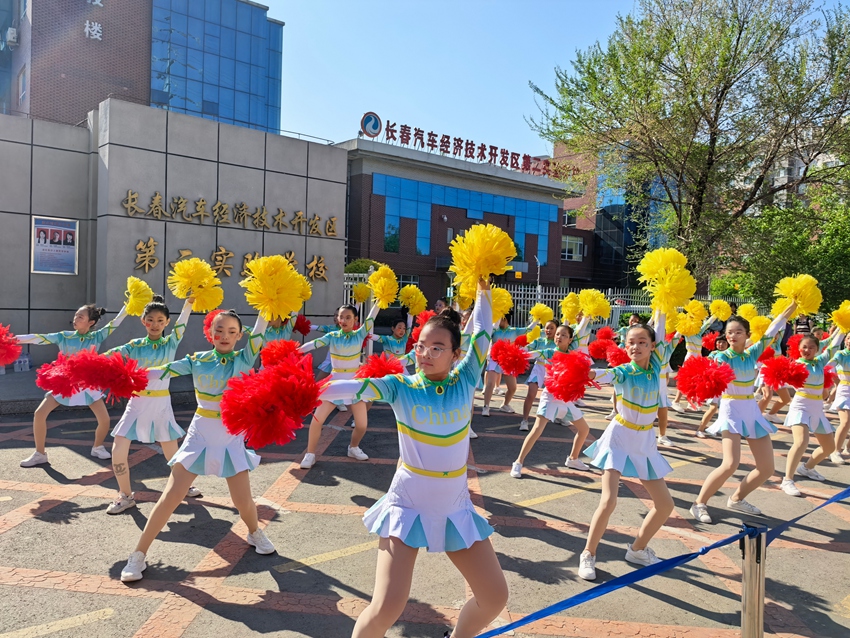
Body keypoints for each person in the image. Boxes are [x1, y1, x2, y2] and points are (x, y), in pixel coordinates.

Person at [319, 280, 507, 638]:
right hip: (407, 504)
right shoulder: (400, 385)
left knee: (494, 597)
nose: (426, 353)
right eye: (421, 346)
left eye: (438, 348)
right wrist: (300, 391)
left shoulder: (466, 379)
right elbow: (352, 387)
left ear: (456, 354)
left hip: (455, 505)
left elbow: (483, 331)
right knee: (387, 607)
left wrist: (483, 290)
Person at [120, 309, 275, 582]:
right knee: (170, 496)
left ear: (240, 335)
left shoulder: (246, 357)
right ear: (209, 333)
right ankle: (138, 555)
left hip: (231, 435)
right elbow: (163, 370)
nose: (224, 335)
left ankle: (254, 532)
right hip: (200, 433)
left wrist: (268, 300)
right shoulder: (197, 360)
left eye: (231, 331)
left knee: (243, 501)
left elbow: (260, 328)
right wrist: (129, 374)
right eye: (218, 330)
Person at [577, 314, 675, 581]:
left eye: (642, 342)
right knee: (608, 501)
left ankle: (637, 549)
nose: (635, 346)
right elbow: (603, 374)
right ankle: (588, 553)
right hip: (619, 438)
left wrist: (664, 298)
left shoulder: (656, 367)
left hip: (645, 442)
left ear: (653, 346)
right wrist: (584, 371)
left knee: (665, 505)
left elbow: (661, 325)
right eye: (630, 342)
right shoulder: (623, 371)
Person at [689, 304, 796, 524]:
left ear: (747, 334)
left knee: (767, 468)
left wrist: (792, 305)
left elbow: (772, 330)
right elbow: (708, 374)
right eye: (729, 332)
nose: (733, 335)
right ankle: (699, 503)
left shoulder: (752, 353)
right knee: (730, 463)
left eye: (738, 331)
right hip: (731, 409)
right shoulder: (721, 357)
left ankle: (737, 498)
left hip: (751, 410)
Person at [103, 296, 198, 514]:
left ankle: (184, 485)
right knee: (118, 448)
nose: (155, 324)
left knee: (172, 452)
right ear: (143, 321)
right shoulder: (134, 345)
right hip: (136, 403)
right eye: (150, 319)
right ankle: (125, 495)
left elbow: (182, 325)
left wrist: (189, 303)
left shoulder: (170, 342)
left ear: (166, 323)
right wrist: (85, 363)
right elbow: (109, 356)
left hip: (161, 404)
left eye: (160, 320)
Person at [17, 303, 128, 467]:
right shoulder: (64, 336)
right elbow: (39, 338)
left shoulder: (96, 337)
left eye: (80, 316)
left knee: (104, 419)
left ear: (90, 322)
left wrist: (128, 306)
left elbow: (115, 323)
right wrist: (13, 339)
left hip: (88, 384)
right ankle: (40, 454)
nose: (75, 319)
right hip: (66, 383)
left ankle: (97, 447)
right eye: (76, 315)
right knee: (40, 414)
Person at [298, 302, 381, 468]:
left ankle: (354, 447)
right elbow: (314, 344)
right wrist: (295, 351)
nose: (343, 320)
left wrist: (380, 299)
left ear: (355, 320)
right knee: (317, 419)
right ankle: (310, 454)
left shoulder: (359, 334)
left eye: (348, 317)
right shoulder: (332, 336)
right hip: (335, 382)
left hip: (353, 383)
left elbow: (371, 318)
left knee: (362, 424)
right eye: (341, 317)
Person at [511, 324, 592, 476]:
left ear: (570, 340)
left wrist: (586, 317)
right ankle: (518, 462)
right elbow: (530, 354)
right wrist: (513, 354)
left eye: (563, 335)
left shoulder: (573, 354)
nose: (559, 337)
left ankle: (573, 459)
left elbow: (580, 330)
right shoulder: (548, 352)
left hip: (566, 399)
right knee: (536, 430)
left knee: (584, 429)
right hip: (550, 397)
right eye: (557, 334)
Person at [779, 330, 844, 496]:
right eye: (804, 347)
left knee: (829, 447)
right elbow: (779, 378)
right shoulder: (796, 364)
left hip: (817, 409)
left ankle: (807, 468)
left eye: (811, 347)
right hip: (800, 407)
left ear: (817, 349)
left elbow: (834, 345)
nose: (807, 350)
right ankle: (787, 480)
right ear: (799, 349)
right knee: (801, 442)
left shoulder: (820, 362)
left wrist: (843, 328)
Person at [480, 313, 536, 417]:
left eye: (499, 319)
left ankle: (505, 405)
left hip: (508, 361)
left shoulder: (514, 330)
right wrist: (495, 322)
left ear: (505, 319)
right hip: (495, 360)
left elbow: (529, 329)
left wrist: (537, 319)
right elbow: (486, 335)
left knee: (512, 388)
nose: (497, 320)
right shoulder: (494, 330)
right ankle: (486, 406)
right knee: (491, 383)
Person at [519, 319, 558, 431]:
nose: (548, 330)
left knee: (556, 397)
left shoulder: (558, 342)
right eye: (547, 327)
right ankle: (524, 420)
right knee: (531, 394)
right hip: (538, 368)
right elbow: (526, 349)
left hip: (552, 370)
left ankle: (560, 416)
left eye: (551, 328)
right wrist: (518, 351)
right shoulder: (538, 341)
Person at [695, 335, 730, 438]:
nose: (721, 344)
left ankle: (718, 428)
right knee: (713, 407)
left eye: (724, 342)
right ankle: (700, 429)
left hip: (726, 384)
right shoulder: (714, 354)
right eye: (719, 342)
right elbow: (707, 365)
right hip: (714, 383)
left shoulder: (730, 354)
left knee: (725, 408)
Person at [829, 333, 850, 464]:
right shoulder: (841, 354)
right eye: (848, 338)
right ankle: (835, 451)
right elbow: (831, 364)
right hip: (845, 390)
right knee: (845, 422)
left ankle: (847, 448)